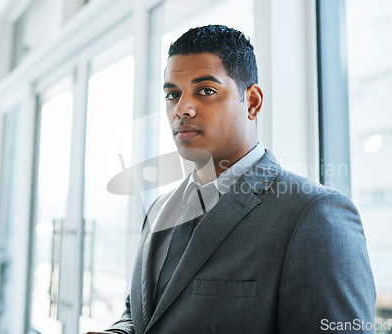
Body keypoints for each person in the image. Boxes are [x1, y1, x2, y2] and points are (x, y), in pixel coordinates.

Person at [88, 24, 375, 334]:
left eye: (206, 90)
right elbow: (142, 314)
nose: (182, 108)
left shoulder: (315, 214)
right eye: (173, 94)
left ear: (251, 102)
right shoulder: (159, 209)